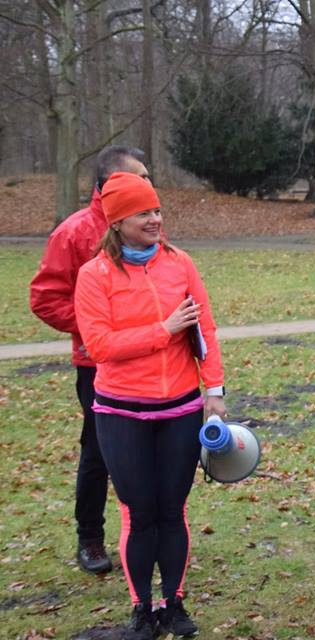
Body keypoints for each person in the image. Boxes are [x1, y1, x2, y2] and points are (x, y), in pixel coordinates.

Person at [74, 172, 226, 640]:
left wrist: (214, 391)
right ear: (117, 221)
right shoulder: (94, 274)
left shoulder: (180, 263)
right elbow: (99, 345)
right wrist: (164, 329)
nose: (155, 219)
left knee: (172, 510)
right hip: (121, 412)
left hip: (180, 409)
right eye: (143, 213)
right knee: (140, 513)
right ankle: (142, 609)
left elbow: (206, 330)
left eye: (157, 210)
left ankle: (173, 605)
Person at [29, 145, 150, 575]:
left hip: (148, 359)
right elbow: (44, 299)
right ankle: (91, 539)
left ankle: (149, 532)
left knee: (148, 451)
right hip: (97, 365)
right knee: (100, 452)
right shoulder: (75, 232)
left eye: (148, 177)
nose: (148, 185)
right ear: (109, 183)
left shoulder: (145, 224)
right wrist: (97, 327)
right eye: (139, 177)